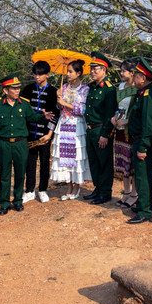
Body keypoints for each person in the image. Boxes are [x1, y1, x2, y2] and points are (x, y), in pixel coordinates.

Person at [0, 74, 54, 215]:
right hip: (4, 143)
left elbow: (32, 117)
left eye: (18, 88)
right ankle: (4, 203)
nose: (17, 90)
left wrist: (44, 117)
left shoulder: (24, 103)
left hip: (21, 143)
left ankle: (17, 200)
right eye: (13, 88)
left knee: (20, 173)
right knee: (5, 174)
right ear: (5, 91)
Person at [125, 58, 152, 224]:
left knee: (143, 177)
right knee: (144, 176)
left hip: (143, 142)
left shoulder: (148, 95)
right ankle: (146, 205)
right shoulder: (143, 93)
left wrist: (144, 147)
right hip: (140, 140)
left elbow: (148, 125)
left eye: (136, 76)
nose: (134, 79)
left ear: (143, 78)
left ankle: (145, 211)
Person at [50, 60, 91, 200]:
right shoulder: (64, 87)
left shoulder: (85, 89)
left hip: (76, 125)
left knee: (76, 155)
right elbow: (58, 108)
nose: (67, 74)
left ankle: (76, 186)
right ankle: (68, 185)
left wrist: (65, 103)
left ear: (78, 73)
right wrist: (58, 99)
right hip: (64, 125)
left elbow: (83, 109)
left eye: (70, 71)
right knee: (64, 155)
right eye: (66, 71)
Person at [21, 60, 59, 204]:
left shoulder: (54, 92)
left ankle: (43, 189)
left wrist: (49, 134)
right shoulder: (28, 89)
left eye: (40, 74)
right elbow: (23, 110)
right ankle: (29, 190)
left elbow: (55, 115)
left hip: (45, 134)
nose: (37, 77)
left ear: (47, 74)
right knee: (29, 162)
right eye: (35, 74)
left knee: (44, 162)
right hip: (30, 133)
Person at [83, 51, 118, 205]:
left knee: (104, 162)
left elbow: (110, 115)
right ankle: (97, 188)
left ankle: (105, 192)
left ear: (104, 70)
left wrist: (105, 134)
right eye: (91, 69)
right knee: (94, 162)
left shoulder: (109, 89)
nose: (92, 71)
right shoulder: (91, 87)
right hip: (90, 129)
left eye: (95, 69)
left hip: (101, 130)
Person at [111, 58, 138, 208]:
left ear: (132, 72)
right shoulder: (121, 86)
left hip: (130, 130)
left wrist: (127, 121)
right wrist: (114, 117)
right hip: (119, 128)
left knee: (131, 162)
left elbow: (137, 111)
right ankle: (126, 192)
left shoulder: (138, 89)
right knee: (122, 162)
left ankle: (134, 194)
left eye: (123, 71)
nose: (121, 73)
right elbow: (119, 106)